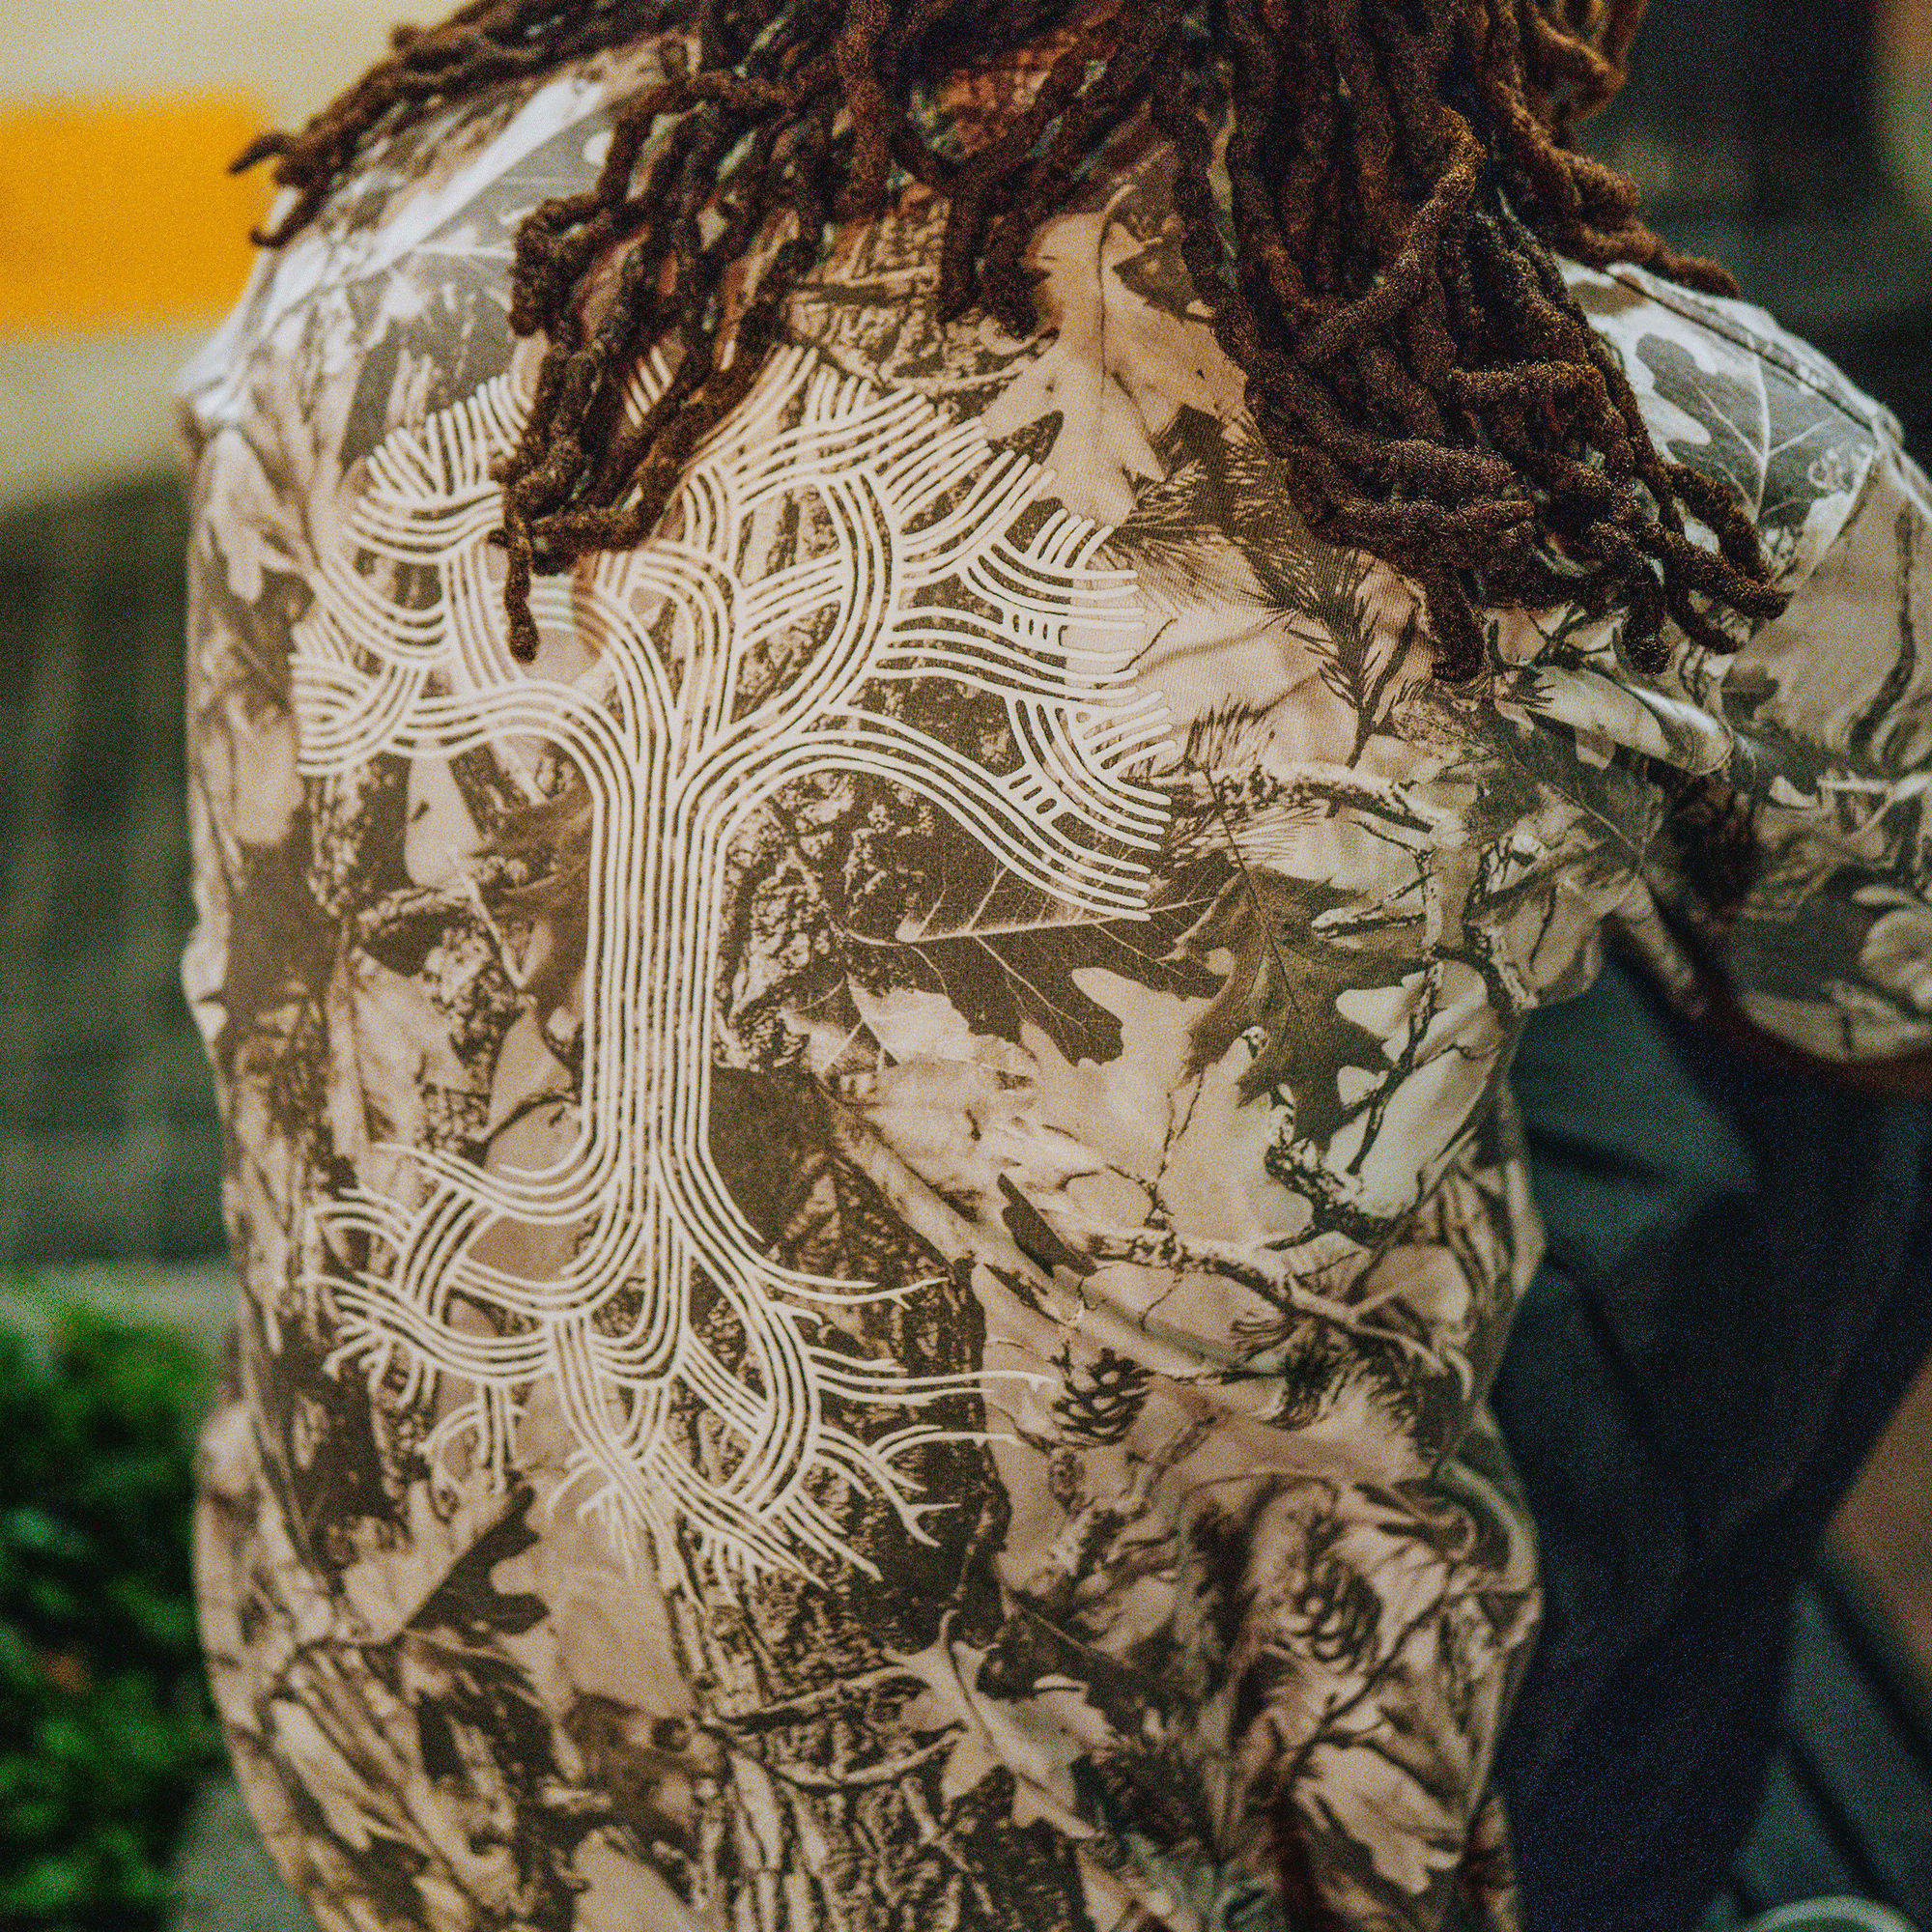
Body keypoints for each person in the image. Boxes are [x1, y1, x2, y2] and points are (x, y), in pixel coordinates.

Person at [177, 4, 1932, 1928]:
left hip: (392, 1761)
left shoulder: (376, 221)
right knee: (1811, 1061)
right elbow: (1877, 1027)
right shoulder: (1621, 443)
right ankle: (1649, 1838)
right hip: (1141, 1877)